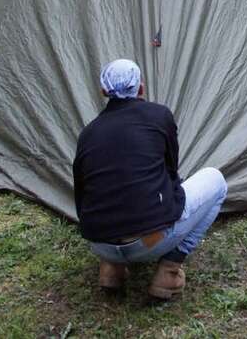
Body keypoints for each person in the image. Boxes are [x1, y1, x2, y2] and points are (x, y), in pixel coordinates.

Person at [74, 59, 227, 301]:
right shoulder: (159, 115)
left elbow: (82, 194)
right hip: (150, 242)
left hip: (99, 242)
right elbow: (170, 169)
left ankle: (111, 269)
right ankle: (169, 271)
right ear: (141, 88)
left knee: (107, 187)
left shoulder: (87, 134)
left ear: (104, 92)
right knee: (216, 181)